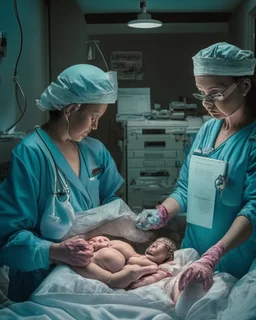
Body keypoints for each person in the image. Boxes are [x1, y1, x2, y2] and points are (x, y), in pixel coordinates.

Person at [135, 42, 256, 294]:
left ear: (244, 86)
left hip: (234, 259)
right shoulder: (207, 130)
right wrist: (161, 213)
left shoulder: (251, 140)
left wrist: (215, 254)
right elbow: (185, 188)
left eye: (216, 93)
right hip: (193, 250)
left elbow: (253, 209)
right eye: (201, 93)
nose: (207, 103)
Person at [0, 64, 125, 302]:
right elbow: (8, 238)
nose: (95, 126)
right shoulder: (31, 154)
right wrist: (57, 251)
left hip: (93, 271)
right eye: (94, 117)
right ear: (71, 109)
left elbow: (112, 202)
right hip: (40, 279)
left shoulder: (95, 151)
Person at [71, 236, 177, 289]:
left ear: (167, 256)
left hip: (96, 264)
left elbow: (155, 277)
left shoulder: (153, 265)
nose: (151, 247)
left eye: (156, 246)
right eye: (152, 245)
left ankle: (131, 275)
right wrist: (103, 241)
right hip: (93, 254)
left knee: (114, 279)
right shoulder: (137, 255)